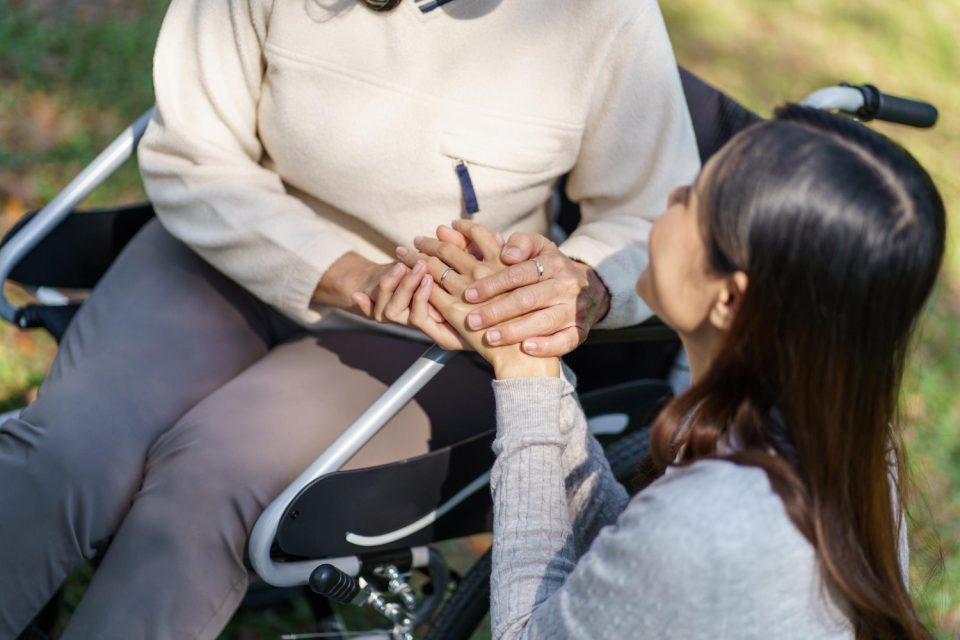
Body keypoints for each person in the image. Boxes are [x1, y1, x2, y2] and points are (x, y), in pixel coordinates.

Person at [0, 0, 699, 638]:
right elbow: (194, 151)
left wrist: (582, 285)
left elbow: (648, 214)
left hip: (429, 334)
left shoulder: (602, 16)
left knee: (206, 483)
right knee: (69, 452)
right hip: (227, 246)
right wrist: (350, 275)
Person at [400, 105, 946, 638]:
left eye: (692, 200)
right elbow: (631, 563)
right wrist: (537, 367)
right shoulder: (849, 447)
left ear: (730, 299)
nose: (670, 197)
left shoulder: (714, 520)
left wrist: (522, 375)